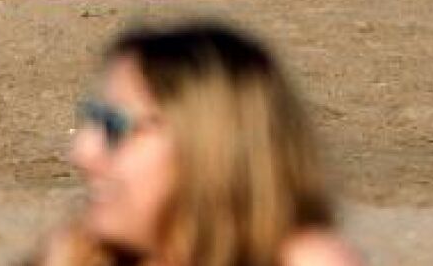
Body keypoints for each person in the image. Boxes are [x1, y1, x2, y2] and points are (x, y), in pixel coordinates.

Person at [33, 21, 363, 266]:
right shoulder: (76, 254)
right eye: (93, 118)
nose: (80, 152)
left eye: (115, 126)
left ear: (213, 148)